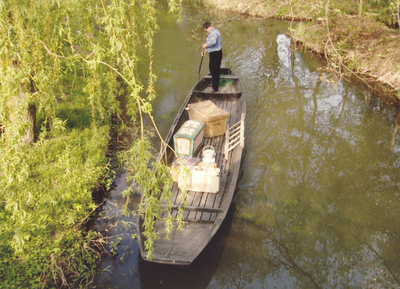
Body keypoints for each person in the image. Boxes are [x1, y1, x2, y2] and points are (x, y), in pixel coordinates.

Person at [201, 21, 222, 92]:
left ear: (209, 27)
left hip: (216, 53)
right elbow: (210, 43)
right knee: (213, 69)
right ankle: (215, 85)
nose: (206, 31)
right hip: (213, 53)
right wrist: (205, 51)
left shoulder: (214, 33)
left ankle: (215, 88)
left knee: (214, 70)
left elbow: (212, 42)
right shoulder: (211, 32)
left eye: (206, 29)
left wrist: (205, 45)